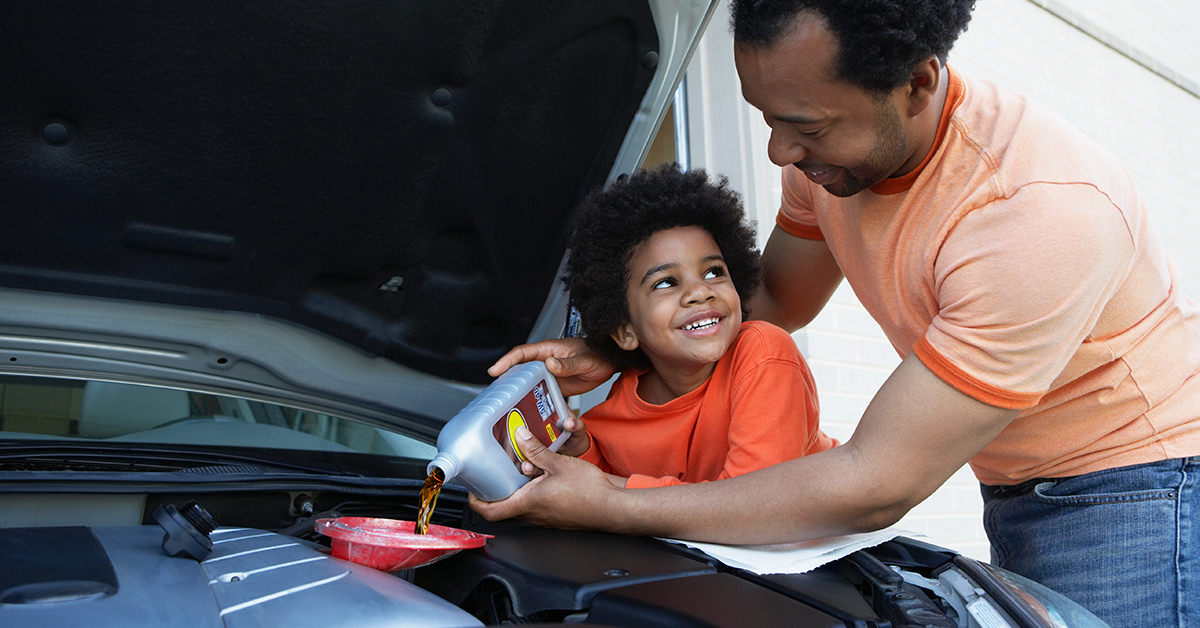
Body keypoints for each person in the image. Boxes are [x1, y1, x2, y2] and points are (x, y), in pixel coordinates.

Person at [472, 2, 1200, 626]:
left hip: (1136, 492)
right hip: (1016, 482)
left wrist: (611, 504)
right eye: (765, 117)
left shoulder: (1037, 214)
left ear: (915, 82)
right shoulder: (827, 163)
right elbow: (779, 300)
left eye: (806, 126)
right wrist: (624, 349)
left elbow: (874, 483)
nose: (781, 151)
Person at [550, 164, 836, 488]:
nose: (700, 292)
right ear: (625, 330)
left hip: (840, 535)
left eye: (714, 272)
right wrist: (583, 453)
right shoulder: (613, 414)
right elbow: (602, 477)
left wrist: (603, 490)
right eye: (665, 282)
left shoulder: (764, 355)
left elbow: (756, 503)